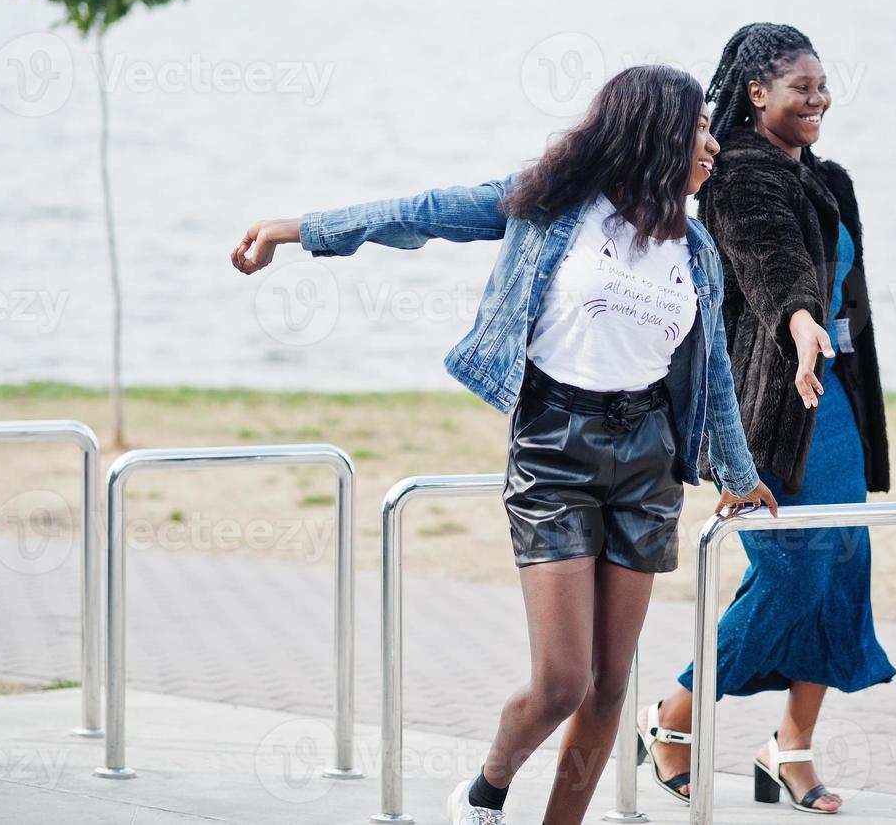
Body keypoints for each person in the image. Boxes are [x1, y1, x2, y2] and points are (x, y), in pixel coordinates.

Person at [230, 64, 778, 825]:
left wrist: (737, 472)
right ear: (652, 135)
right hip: (554, 447)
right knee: (560, 681)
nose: (713, 147)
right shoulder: (553, 205)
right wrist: (298, 230)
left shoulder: (695, 249)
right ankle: (487, 789)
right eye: (698, 130)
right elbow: (426, 212)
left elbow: (713, 368)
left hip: (647, 459)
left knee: (611, 682)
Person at [633, 24, 896, 816]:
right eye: (799, 88)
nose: (816, 99)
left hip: (833, 405)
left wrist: (825, 337)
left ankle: (790, 747)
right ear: (755, 93)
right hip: (761, 407)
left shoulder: (828, 178)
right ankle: (671, 719)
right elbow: (769, 259)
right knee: (793, 572)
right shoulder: (736, 178)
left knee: (840, 567)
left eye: (822, 86)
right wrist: (797, 318)